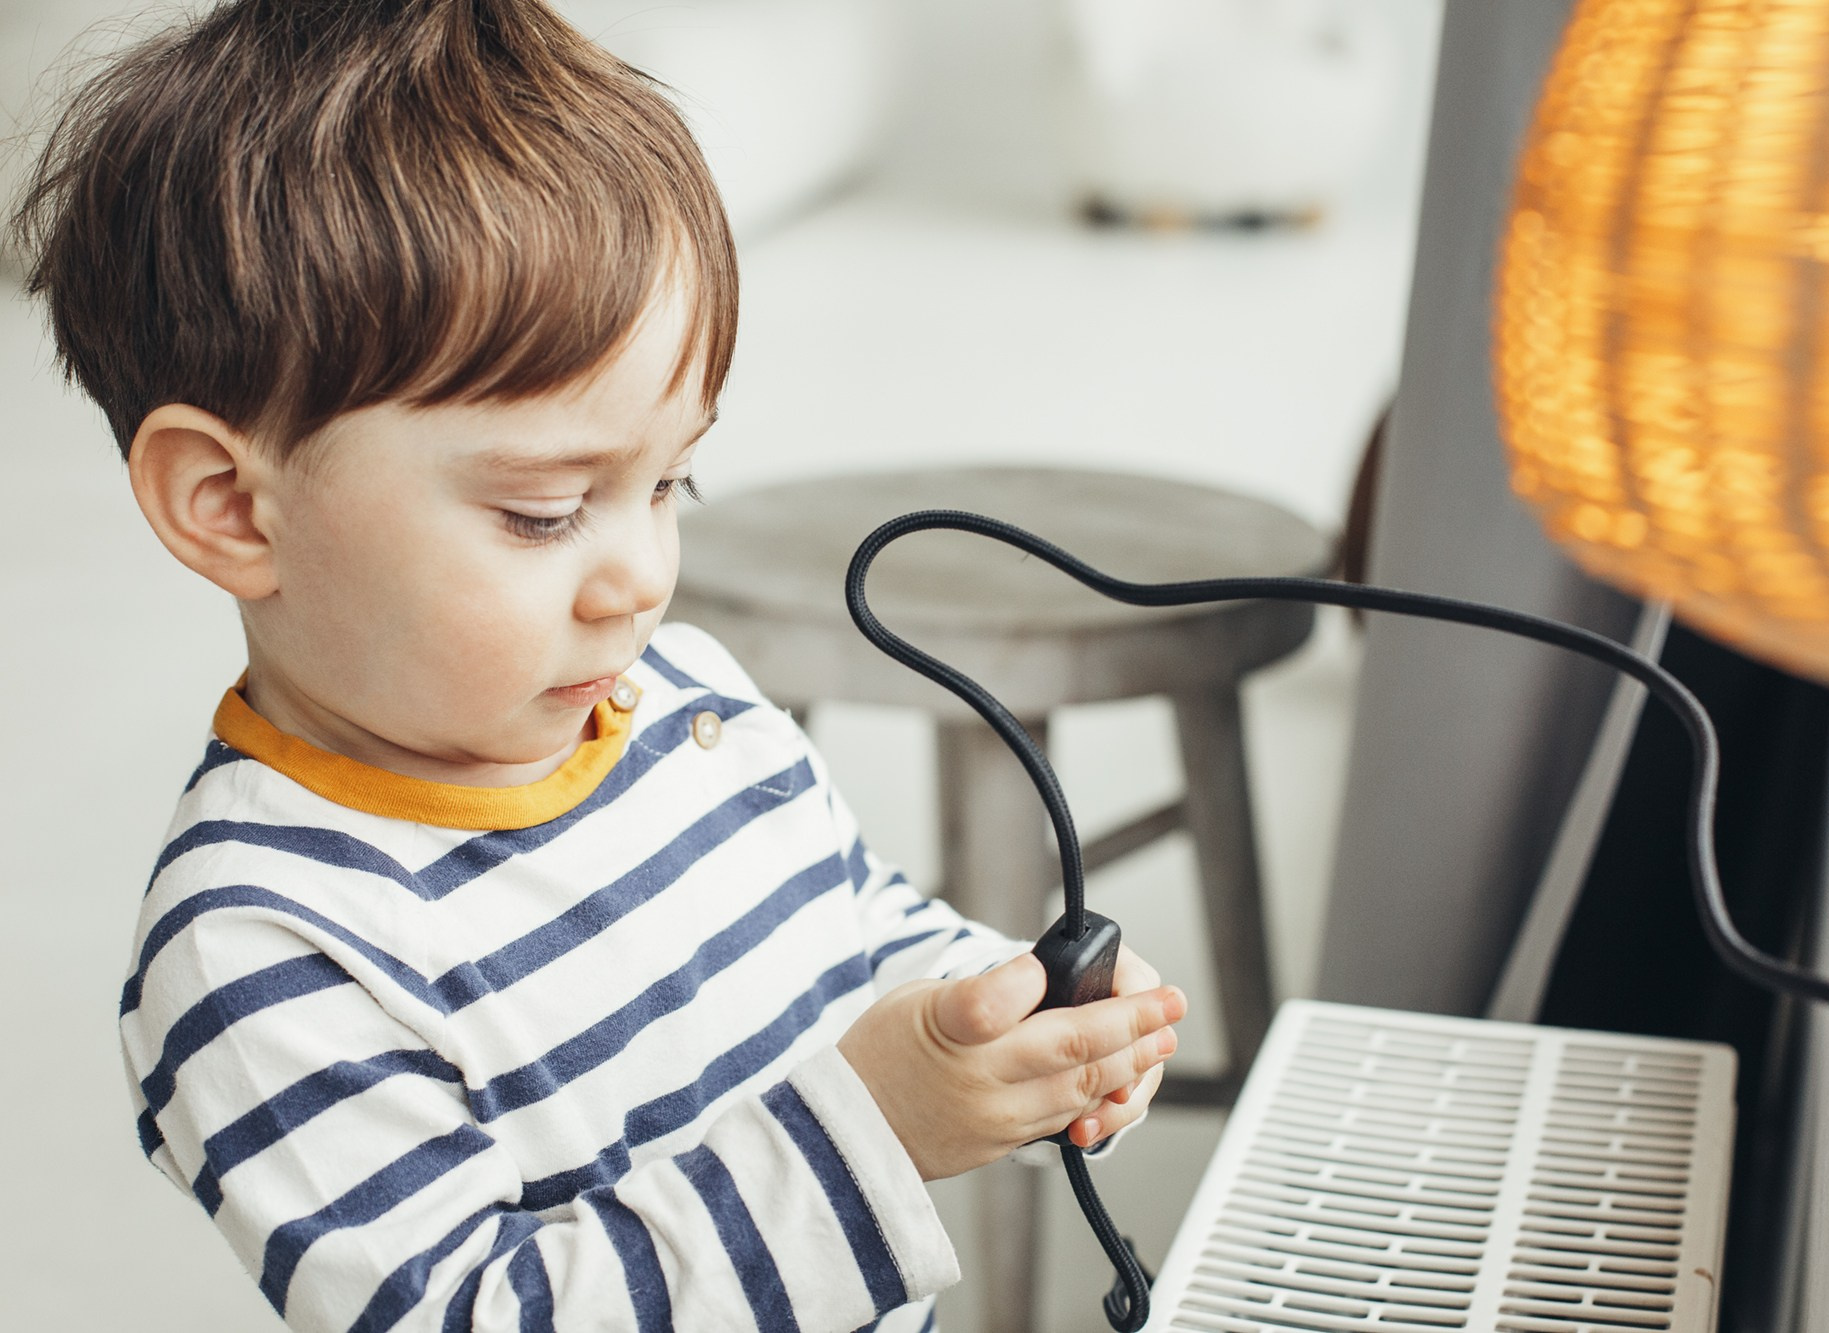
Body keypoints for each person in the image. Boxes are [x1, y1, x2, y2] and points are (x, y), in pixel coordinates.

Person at [10, 2, 1184, 1329]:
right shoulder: (260, 950)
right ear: (230, 504)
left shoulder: (683, 701)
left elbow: (854, 933)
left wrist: (1009, 1025)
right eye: (547, 511)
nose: (641, 577)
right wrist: (879, 1127)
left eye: (672, 479)